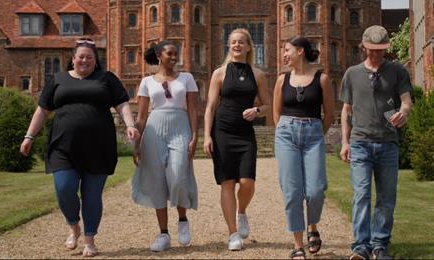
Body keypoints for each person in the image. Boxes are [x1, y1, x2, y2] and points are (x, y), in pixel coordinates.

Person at [19, 38, 139, 257]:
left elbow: (122, 104)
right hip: (63, 147)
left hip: (99, 146)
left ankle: (90, 241)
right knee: (64, 188)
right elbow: (42, 110)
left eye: (89, 57)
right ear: (73, 59)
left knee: (92, 195)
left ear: (95, 61)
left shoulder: (106, 78)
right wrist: (29, 136)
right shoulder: (58, 79)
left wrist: (130, 125)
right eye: (81, 56)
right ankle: (74, 226)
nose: (85, 60)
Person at [339, 25, 412, 260]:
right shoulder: (352, 73)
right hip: (360, 143)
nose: (376, 54)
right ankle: (361, 246)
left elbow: (406, 101)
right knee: (361, 194)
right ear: (364, 47)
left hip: (388, 143)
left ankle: (380, 245)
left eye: (380, 50)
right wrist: (345, 141)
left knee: (386, 197)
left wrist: (404, 112)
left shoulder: (397, 71)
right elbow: (346, 110)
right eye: (372, 50)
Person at [203, 28, 271, 251]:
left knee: (247, 182)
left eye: (241, 42)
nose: (237, 45)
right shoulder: (219, 73)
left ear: (249, 47)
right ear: (228, 46)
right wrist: (206, 136)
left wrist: (257, 111)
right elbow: (211, 106)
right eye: (233, 42)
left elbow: (268, 106)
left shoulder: (258, 74)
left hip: (245, 133)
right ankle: (232, 233)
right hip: (222, 131)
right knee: (227, 182)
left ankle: (242, 212)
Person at [131, 40, 198, 252]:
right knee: (157, 180)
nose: (174, 57)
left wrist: (195, 135)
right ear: (159, 55)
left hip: (180, 127)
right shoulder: (146, 82)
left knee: (178, 176)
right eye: (170, 53)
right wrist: (136, 144)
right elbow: (141, 117)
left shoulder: (187, 78)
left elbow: (193, 110)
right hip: (154, 129)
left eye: (176, 54)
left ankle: (183, 219)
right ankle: (163, 234)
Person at [272, 36, 335, 259]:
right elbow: (276, 112)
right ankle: (298, 244)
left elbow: (329, 114)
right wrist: (283, 130)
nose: (284, 55)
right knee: (292, 191)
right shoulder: (282, 79)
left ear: (300, 51)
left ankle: (313, 227)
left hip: (313, 134)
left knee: (316, 190)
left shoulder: (322, 79)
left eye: (287, 50)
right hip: (286, 134)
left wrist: (317, 132)